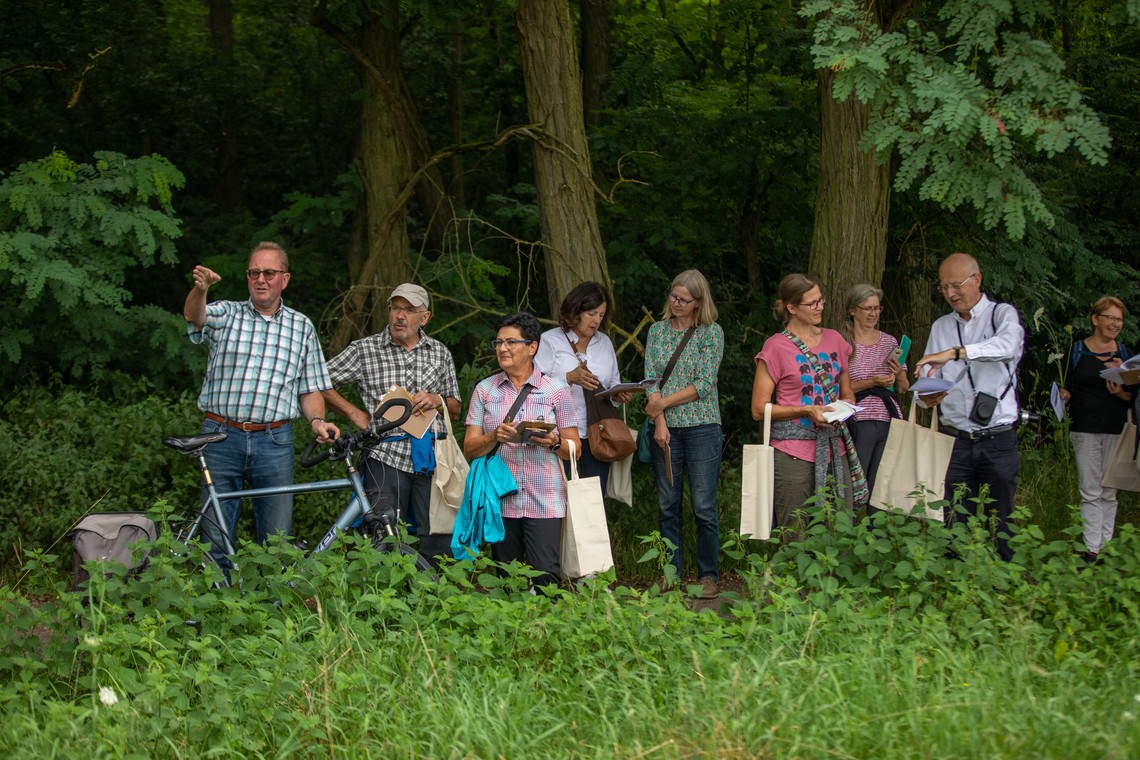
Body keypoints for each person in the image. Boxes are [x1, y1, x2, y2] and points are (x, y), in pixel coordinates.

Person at [183, 241, 339, 554]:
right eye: (254, 272)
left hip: (274, 441)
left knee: (276, 536)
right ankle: (218, 596)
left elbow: (309, 388)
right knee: (215, 533)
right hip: (219, 437)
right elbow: (195, 316)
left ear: (285, 279)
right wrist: (201, 289)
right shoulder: (227, 313)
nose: (261, 279)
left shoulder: (302, 327)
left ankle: (272, 602)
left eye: (269, 272)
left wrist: (318, 421)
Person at [322, 283, 462, 564]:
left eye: (409, 310)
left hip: (432, 458)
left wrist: (436, 399)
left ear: (425, 317)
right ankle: (384, 599)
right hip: (385, 453)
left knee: (435, 535)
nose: (400, 316)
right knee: (384, 532)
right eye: (396, 308)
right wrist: (353, 413)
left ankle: (431, 598)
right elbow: (318, 380)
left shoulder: (439, 352)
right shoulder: (364, 349)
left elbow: (456, 408)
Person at [915, 252, 1025, 561]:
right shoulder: (941, 326)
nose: (950, 293)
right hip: (956, 439)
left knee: (1000, 515)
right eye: (943, 287)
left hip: (997, 437)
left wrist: (956, 353)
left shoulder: (1001, 315)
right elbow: (927, 374)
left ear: (976, 280)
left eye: (955, 285)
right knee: (953, 514)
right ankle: (954, 579)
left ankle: (1004, 575)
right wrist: (926, 396)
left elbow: (1008, 346)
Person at [464, 312, 581, 591]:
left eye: (511, 342)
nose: (502, 348)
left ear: (532, 346)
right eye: (498, 342)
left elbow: (576, 449)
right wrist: (494, 436)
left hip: (546, 499)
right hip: (501, 500)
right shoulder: (484, 391)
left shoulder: (556, 390)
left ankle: (547, 631)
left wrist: (552, 441)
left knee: (546, 577)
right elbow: (469, 448)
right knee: (507, 579)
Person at [751, 273, 862, 543]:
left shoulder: (836, 340)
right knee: (795, 532)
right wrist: (805, 410)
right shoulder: (775, 347)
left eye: (821, 300)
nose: (820, 307)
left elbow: (848, 393)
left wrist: (842, 408)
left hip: (835, 448)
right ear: (791, 308)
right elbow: (758, 409)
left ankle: (835, 586)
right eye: (812, 303)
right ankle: (797, 585)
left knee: (841, 527)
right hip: (792, 452)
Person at [644, 270, 723, 598]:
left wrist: (662, 403)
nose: (676, 303)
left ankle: (708, 576)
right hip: (664, 430)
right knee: (668, 505)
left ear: (698, 303)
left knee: (703, 505)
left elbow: (704, 384)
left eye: (683, 300)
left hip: (702, 428)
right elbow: (650, 379)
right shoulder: (657, 331)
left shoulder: (711, 333)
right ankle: (670, 573)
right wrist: (659, 419)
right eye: (673, 297)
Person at [534, 282, 633, 494]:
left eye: (601, 315)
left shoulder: (604, 342)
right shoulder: (550, 340)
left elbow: (612, 383)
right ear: (575, 310)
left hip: (598, 433)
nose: (597, 320)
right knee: (561, 498)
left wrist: (619, 394)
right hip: (560, 434)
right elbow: (533, 387)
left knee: (594, 500)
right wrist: (568, 377)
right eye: (591, 313)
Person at [1060, 297, 1135, 560]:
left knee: (1109, 490)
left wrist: (1121, 392)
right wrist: (1064, 395)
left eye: (1119, 320)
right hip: (1084, 429)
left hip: (1116, 429)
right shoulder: (1078, 350)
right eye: (1110, 318)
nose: (1115, 324)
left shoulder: (1125, 354)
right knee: (1090, 490)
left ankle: (1106, 549)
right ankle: (1092, 550)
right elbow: (1065, 385)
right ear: (1095, 319)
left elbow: (1133, 396)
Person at [842, 282, 910, 505]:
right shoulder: (843, 344)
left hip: (888, 420)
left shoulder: (889, 341)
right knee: (854, 485)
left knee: (881, 487)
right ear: (853, 310)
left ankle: (874, 535)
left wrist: (898, 373)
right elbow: (835, 389)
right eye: (868, 308)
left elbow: (903, 387)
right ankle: (847, 532)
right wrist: (872, 382)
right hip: (858, 421)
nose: (873, 314)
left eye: (877, 308)